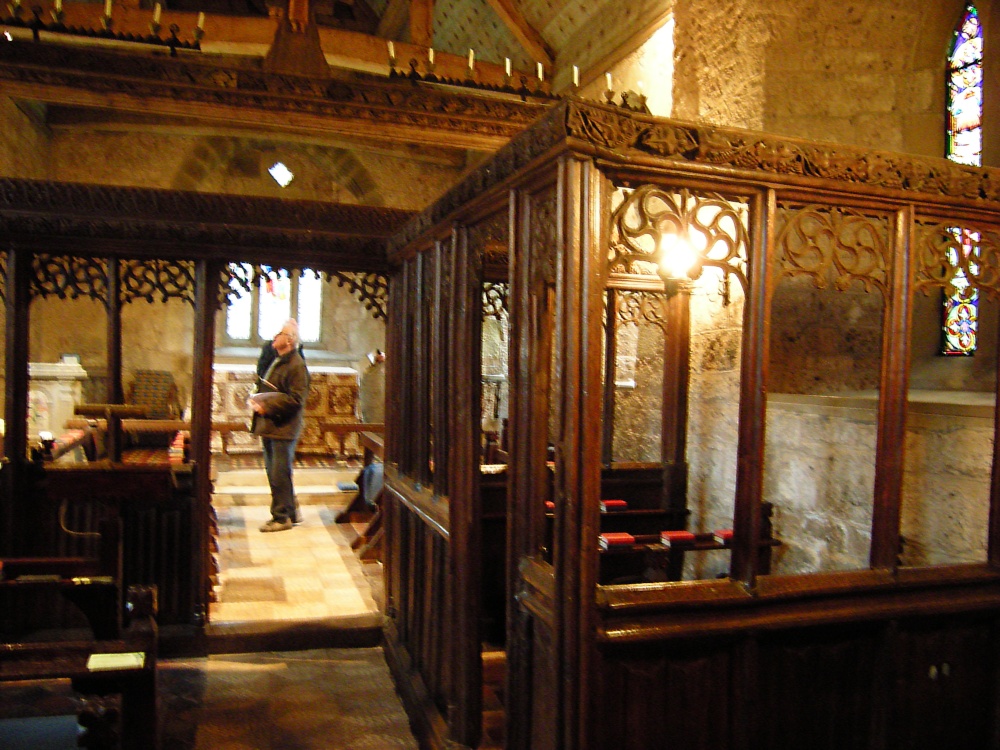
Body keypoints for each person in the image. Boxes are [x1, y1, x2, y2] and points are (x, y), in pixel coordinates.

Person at [249, 319, 310, 532]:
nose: (275, 336)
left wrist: (266, 406)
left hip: (283, 427)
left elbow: (296, 399)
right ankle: (290, 512)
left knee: (278, 473)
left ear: (290, 340)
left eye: (280, 333)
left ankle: (280, 517)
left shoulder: (296, 365)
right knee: (276, 472)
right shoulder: (280, 359)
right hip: (273, 427)